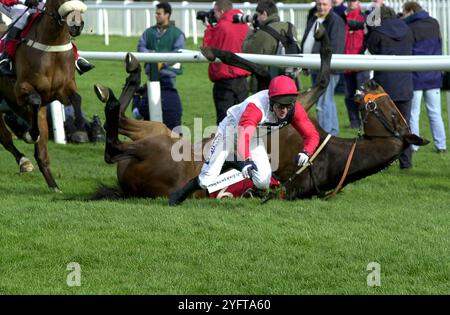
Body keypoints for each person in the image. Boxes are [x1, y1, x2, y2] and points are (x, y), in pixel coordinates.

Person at [168, 75, 320, 206]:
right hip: (231, 131)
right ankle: (179, 195)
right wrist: (247, 160)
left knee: (263, 181)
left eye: (288, 105)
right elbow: (243, 137)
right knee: (206, 180)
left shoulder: (293, 109)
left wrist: (306, 151)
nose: (284, 111)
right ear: (271, 101)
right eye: (280, 105)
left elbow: (312, 135)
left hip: (253, 136)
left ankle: (234, 162)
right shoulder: (256, 108)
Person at [366, 6, 414, 169]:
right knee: (405, 124)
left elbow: (371, 50)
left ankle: (385, 162)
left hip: (385, 85)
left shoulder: (378, 31)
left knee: (384, 126)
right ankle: (406, 162)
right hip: (405, 83)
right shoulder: (407, 28)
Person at [0, 0, 94, 76]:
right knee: (23, 17)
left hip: (37, 2)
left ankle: (76, 58)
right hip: (11, 3)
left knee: (54, 17)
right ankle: (6, 58)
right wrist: (23, 1)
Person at [402, 1, 447, 154]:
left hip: (415, 74)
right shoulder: (434, 23)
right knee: (435, 112)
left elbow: (408, 51)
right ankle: (441, 145)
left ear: (410, 11)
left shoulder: (409, 27)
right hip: (433, 73)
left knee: (414, 113)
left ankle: (414, 146)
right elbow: (439, 45)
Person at [137, 1, 185, 131]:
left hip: (168, 78)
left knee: (166, 104)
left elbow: (178, 53)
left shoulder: (177, 34)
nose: (156, 16)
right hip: (151, 76)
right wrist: (153, 57)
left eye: (159, 13)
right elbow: (141, 47)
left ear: (167, 15)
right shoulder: (148, 32)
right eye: (156, 13)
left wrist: (159, 60)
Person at [300, 0, 345, 136]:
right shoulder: (314, 17)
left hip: (326, 68)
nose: (321, 7)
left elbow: (336, 46)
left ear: (331, 5)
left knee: (322, 103)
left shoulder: (335, 21)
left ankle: (324, 135)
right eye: (319, 4)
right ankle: (332, 133)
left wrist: (327, 68)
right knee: (327, 101)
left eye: (324, 4)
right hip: (316, 66)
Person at [203, 0, 250, 125]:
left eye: (215, 12)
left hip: (224, 80)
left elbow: (208, 49)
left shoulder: (221, 26)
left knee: (225, 122)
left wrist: (209, 29)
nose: (214, 15)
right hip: (242, 80)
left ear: (221, 11)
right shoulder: (244, 24)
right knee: (243, 120)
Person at [242, 0, 301, 94]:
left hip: (269, 84)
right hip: (290, 79)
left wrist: (251, 32)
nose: (256, 19)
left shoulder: (264, 33)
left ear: (264, 14)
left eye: (257, 15)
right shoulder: (290, 27)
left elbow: (246, 50)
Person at [343, 0, 369, 129]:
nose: (351, 3)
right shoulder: (342, 18)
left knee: (363, 94)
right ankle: (354, 122)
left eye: (354, 0)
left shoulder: (365, 17)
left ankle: (366, 120)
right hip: (346, 62)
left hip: (361, 63)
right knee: (349, 95)